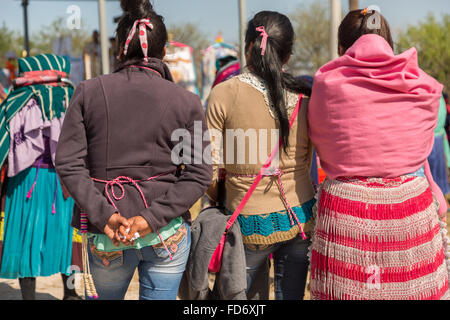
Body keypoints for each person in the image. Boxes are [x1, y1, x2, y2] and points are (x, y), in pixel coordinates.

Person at [55, 0, 212, 300]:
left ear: (119, 51)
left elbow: (68, 164)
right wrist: (149, 219)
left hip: (107, 237)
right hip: (166, 235)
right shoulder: (187, 102)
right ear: (165, 52)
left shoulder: (87, 93)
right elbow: (200, 175)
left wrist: (107, 216)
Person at [308, 8, 450, 300]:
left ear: (341, 47)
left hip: (346, 214)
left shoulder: (326, 85)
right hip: (409, 211)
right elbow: (423, 144)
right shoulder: (420, 86)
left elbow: (321, 141)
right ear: (387, 41)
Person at [206, 11, 315, 300]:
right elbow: (307, 161)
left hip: (246, 221)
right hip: (301, 219)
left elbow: (209, 168)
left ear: (247, 47)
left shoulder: (223, 93)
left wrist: (220, 197)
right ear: (288, 55)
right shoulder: (306, 96)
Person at [0, 53, 82, 300]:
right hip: (59, 181)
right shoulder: (70, 98)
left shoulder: (16, 101)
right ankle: (70, 293)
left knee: (28, 238)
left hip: (27, 181)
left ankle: (32, 297)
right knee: (67, 237)